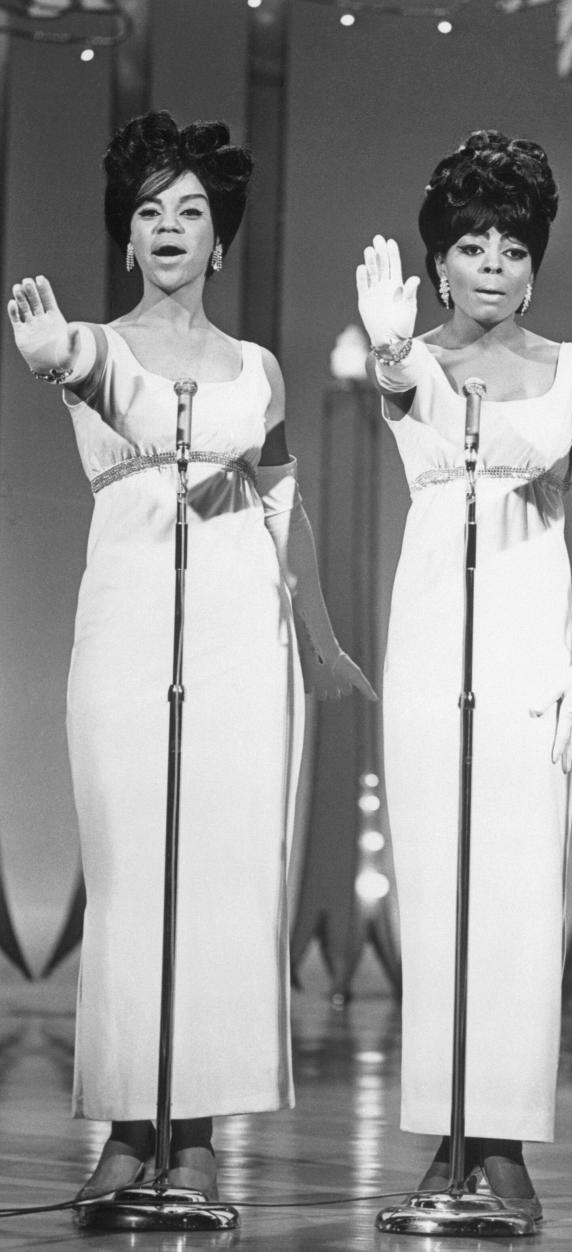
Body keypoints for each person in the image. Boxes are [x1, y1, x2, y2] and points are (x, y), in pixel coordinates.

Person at [7, 110, 375, 1202]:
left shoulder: (255, 366)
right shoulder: (94, 344)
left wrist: (315, 637)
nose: (170, 227)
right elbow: (91, 380)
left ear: (222, 241)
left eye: (193, 212)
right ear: (127, 239)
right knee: (131, 882)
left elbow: (283, 497)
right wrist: (55, 363)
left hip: (238, 638)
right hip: (124, 625)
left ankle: (200, 1133)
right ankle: (128, 1127)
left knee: (221, 883)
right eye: (150, 212)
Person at [356, 130, 572, 1220]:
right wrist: (387, 353)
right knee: (436, 892)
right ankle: (442, 1136)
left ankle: (502, 1141)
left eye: (514, 247)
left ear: (536, 264)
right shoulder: (409, 358)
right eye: (474, 245)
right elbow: (396, 392)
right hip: (427, 642)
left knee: (516, 896)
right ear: (439, 264)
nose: (496, 265)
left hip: (530, 649)